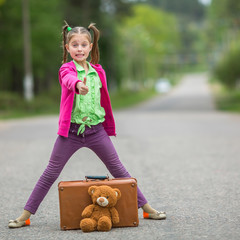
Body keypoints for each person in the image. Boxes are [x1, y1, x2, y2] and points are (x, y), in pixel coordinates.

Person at [8, 22, 166, 228]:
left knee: (119, 170)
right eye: (75, 45)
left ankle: (147, 210)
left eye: (84, 45)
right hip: (71, 133)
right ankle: (25, 215)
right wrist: (77, 85)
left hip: (96, 131)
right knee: (50, 172)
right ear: (68, 48)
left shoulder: (98, 72)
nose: (79, 49)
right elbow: (68, 79)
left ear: (90, 47)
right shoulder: (66, 69)